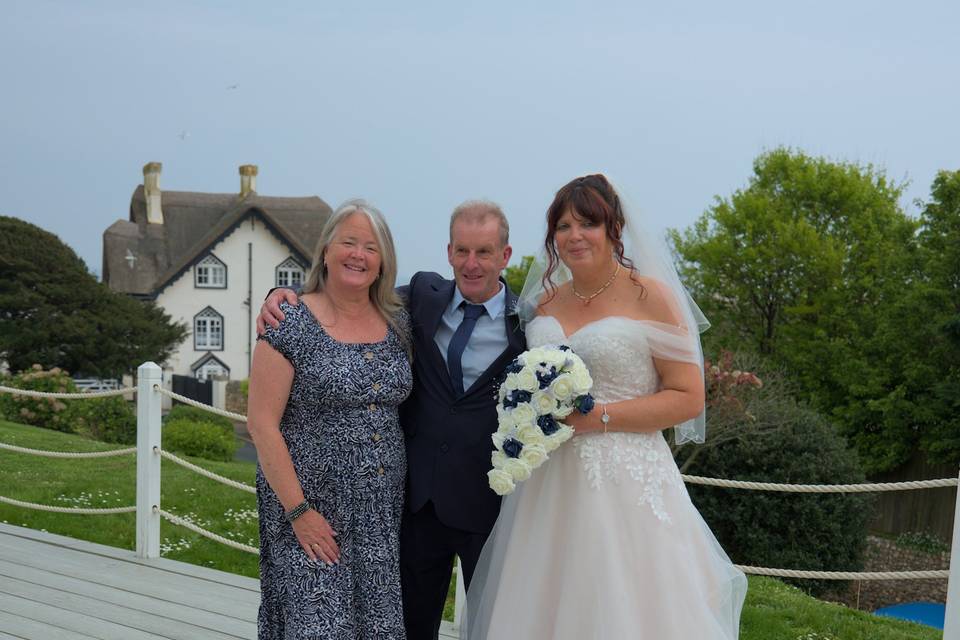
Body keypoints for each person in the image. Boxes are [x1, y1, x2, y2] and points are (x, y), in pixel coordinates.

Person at [463, 174, 747, 639]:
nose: (574, 237)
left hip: (624, 482)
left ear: (614, 227)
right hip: (547, 485)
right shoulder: (545, 301)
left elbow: (687, 397)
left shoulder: (651, 296)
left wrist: (601, 418)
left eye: (587, 224)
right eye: (563, 226)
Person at [259, 201, 526, 639]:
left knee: (495, 628)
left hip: (485, 504)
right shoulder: (418, 300)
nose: (471, 264)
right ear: (449, 252)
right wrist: (278, 294)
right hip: (416, 506)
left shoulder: (528, 322)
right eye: (462, 251)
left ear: (506, 255)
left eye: (484, 252)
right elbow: (345, 289)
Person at [248, 199, 413, 639]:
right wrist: (299, 512)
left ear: (383, 263)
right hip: (311, 513)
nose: (358, 255)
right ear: (325, 251)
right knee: (317, 627)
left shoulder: (401, 324)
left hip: (380, 517)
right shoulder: (289, 321)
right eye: (349, 242)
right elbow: (261, 425)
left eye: (371, 248)